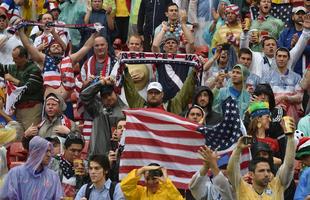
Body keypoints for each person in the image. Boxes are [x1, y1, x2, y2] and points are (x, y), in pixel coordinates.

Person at [227, 120, 296, 200]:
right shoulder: (242, 188)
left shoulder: (277, 185)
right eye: (261, 170)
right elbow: (231, 171)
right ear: (251, 174)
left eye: (268, 170)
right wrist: (238, 150)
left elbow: (289, 166)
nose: (266, 174)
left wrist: (291, 138)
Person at [80, 76, 127, 155]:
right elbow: (84, 95)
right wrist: (100, 84)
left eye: (109, 94)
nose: (108, 98)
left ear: (115, 93)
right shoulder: (97, 108)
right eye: (104, 97)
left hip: (118, 155)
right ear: (101, 98)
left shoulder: (125, 111)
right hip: (98, 154)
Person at [0, 45, 44, 131]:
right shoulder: (13, 68)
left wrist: (13, 79)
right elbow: (1, 69)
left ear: (24, 57)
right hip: (18, 109)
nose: (13, 60)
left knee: (30, 135)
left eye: (15, 58)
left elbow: (31, 88)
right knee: (18, 136)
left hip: (32, 108)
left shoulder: (34, 69)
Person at [261, 47, 303, 122]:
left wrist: (286, 97)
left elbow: (300, 97)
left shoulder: (296, 77)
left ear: (288, 58)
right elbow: (262, 98)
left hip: (291, 117)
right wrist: (275, 103)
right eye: (279, 56)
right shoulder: (266, 77)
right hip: (272, 115)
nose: (281, 59)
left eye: (284, 56)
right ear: (275, 58)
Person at [49, 131, 87, 198]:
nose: (76, 154)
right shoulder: (53, 162)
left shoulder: (85, 165)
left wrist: (86, 175)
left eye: (79, 151)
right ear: (64, 148)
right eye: (73, 150)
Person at [278, 6, 310, 77]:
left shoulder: (308, 33)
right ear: (292, 17)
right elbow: (280, 50)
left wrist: (299, 44)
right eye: (298, 14)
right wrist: (291, 47)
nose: (300, 16)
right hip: (289, 72)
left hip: (307, 73)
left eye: (303, 14)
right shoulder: (285, 33)